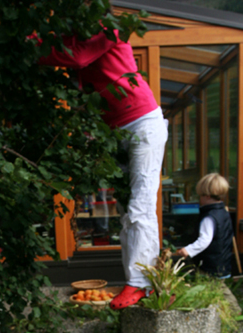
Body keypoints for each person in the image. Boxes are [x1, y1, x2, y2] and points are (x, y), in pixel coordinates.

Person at [38, 28, 168, 308]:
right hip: (118, 130)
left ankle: (139, 284)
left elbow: (80, 57)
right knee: (127, 209)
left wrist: (33, 46)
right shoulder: (75, 37)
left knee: (140, 206)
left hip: (143, 122)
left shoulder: (108, 29)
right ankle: (140, 282)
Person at [174, 174, 234, 278]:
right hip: (223, 265)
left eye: (200, 195)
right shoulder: (223, 212)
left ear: (207, 196)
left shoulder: (209, 217)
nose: (199, 199)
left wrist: (188, 250)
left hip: (210, 268)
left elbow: (204, 240)